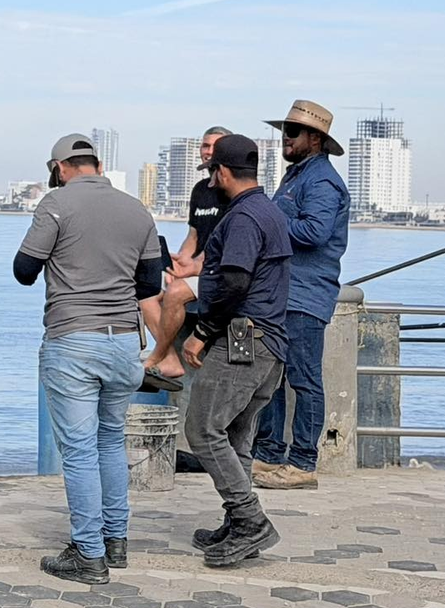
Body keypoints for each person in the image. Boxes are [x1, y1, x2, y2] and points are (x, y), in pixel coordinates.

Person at [15, 134, 162, 584]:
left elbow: (24, 271)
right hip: (123, 344)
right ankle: (116, 541)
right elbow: (151, 282)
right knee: (110, 441)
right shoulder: (138, 210)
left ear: (60, 167)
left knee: (78, 450)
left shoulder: (56, 204)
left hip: (74, 340)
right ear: (97, 164)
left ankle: (88, 554)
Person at [181, 134, 292, 567]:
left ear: (222, 172)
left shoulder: (244, 217)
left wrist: (202, 333)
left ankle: (250, 520)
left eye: (212, 172)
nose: (212, 178)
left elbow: (234, 283)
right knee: (236, 437)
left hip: (244, 340)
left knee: (203, 430)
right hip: (271, 343)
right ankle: (237, 522)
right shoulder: (269, 211)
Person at [252, 100, 350, 490]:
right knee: (273, 377)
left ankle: (304, 463)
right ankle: (269, 454)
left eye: (292, 133)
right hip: (280, 293)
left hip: (305, 296)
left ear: (316, 139)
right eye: (283, 131)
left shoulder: (322, 180)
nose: (285, 138)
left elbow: (314, 233)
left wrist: (268, 219)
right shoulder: (296, 176)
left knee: (304, 379)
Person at [142, 126, 231, 387]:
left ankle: (157, 355)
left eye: (215, 145)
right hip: (194, 266)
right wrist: (180, 261)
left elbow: (219, 240)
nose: (208, 151)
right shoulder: (200, 189)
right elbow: (194, 235)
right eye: (205, 145)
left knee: (175, 293)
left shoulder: (231, 190)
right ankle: (168, 357)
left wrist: (192, 268)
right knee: (145, 293)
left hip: (216, 270)